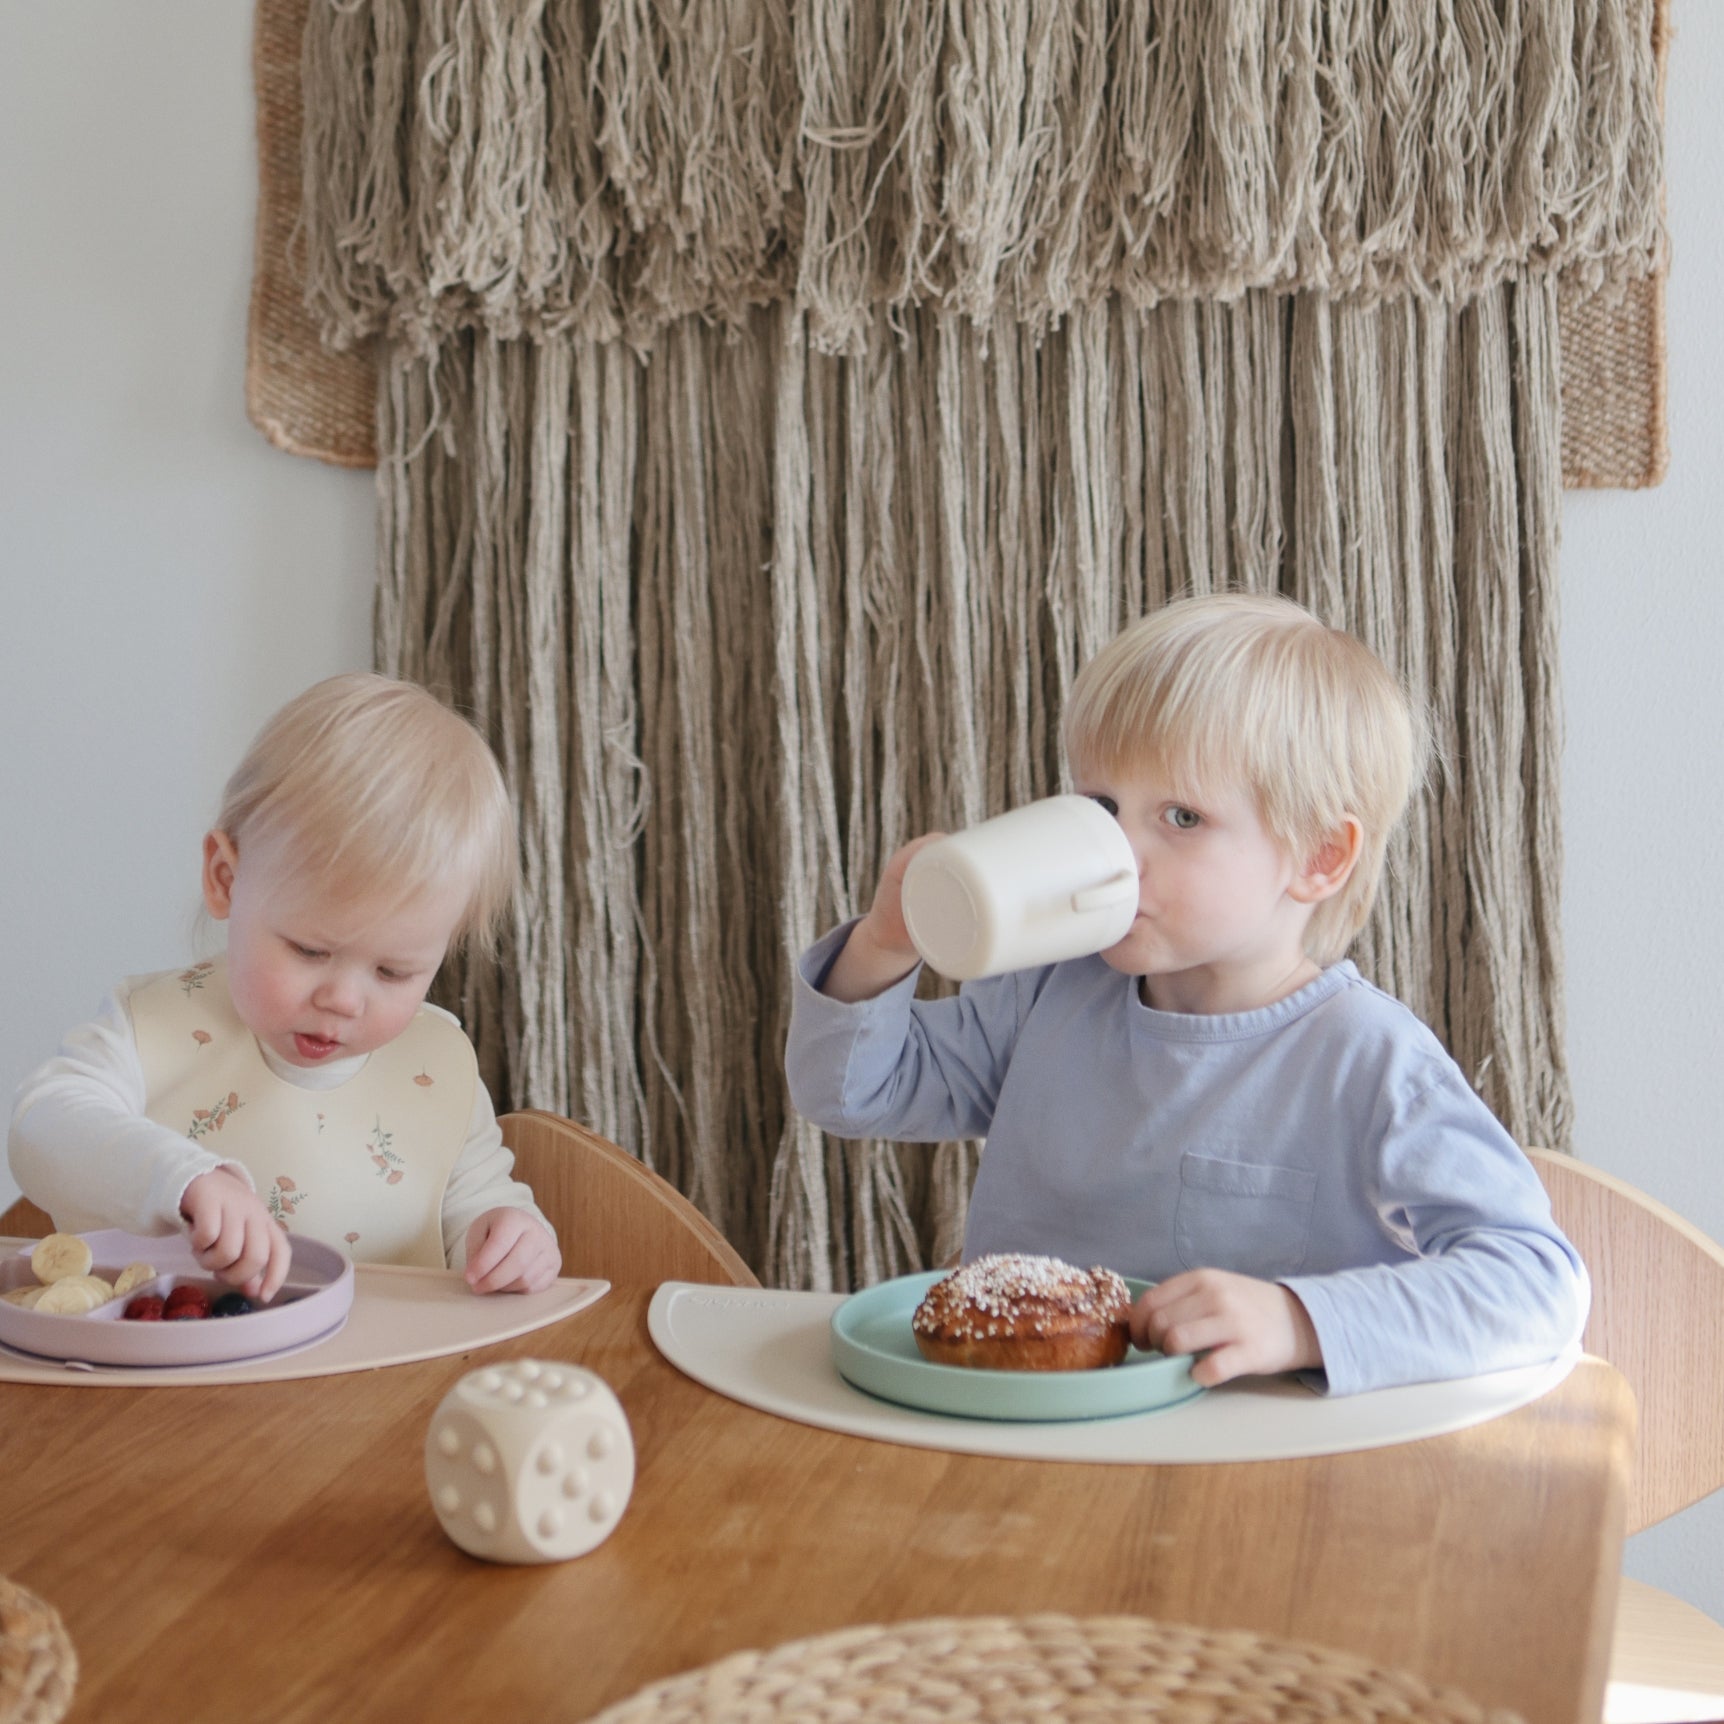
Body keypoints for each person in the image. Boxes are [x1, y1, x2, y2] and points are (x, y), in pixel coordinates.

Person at [785, 592, 1587, 1395]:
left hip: (1249, 1471)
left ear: (1317, 856)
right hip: (1027, 1433)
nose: (1119, 853)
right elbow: (851, 1092)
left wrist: (1295, 1319)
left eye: (1181, 816)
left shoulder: (1366, 1060)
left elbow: (1537, 1283)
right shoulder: (1050, 995)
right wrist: (887, 943)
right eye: (1102, 807)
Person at [10, 673, 562, 1303]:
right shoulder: (147, 1028)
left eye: (392, 972)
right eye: (310, 950)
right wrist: (183, 1181)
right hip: (173, 1376)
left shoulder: (435, 1066)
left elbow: (476, 1202)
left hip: (377, 1381)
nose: (343, 1000)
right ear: (225, 878)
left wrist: (509, 1237)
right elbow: (42, 1129)